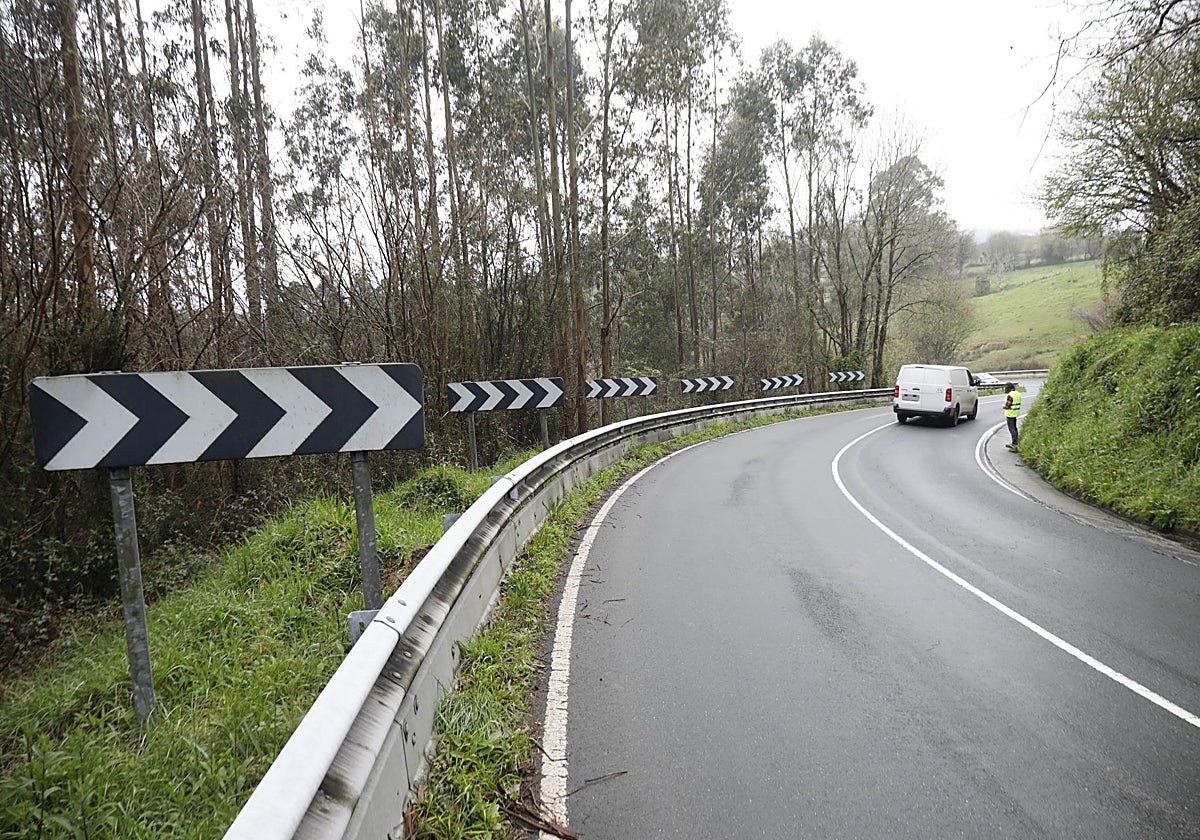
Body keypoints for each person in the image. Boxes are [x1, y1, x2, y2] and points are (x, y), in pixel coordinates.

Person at [1003, 382, 1022, 451]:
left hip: (1010, 413)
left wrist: (1003, 406)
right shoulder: (1018, 394)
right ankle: (1015, 442)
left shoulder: (1010, 395)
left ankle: (1014, 444)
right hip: (1015, 413)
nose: (1005, 389)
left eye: (1005, 388)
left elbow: (1007, 406)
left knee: (1012, 429)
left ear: (1008, 388)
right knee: (1014, 428)